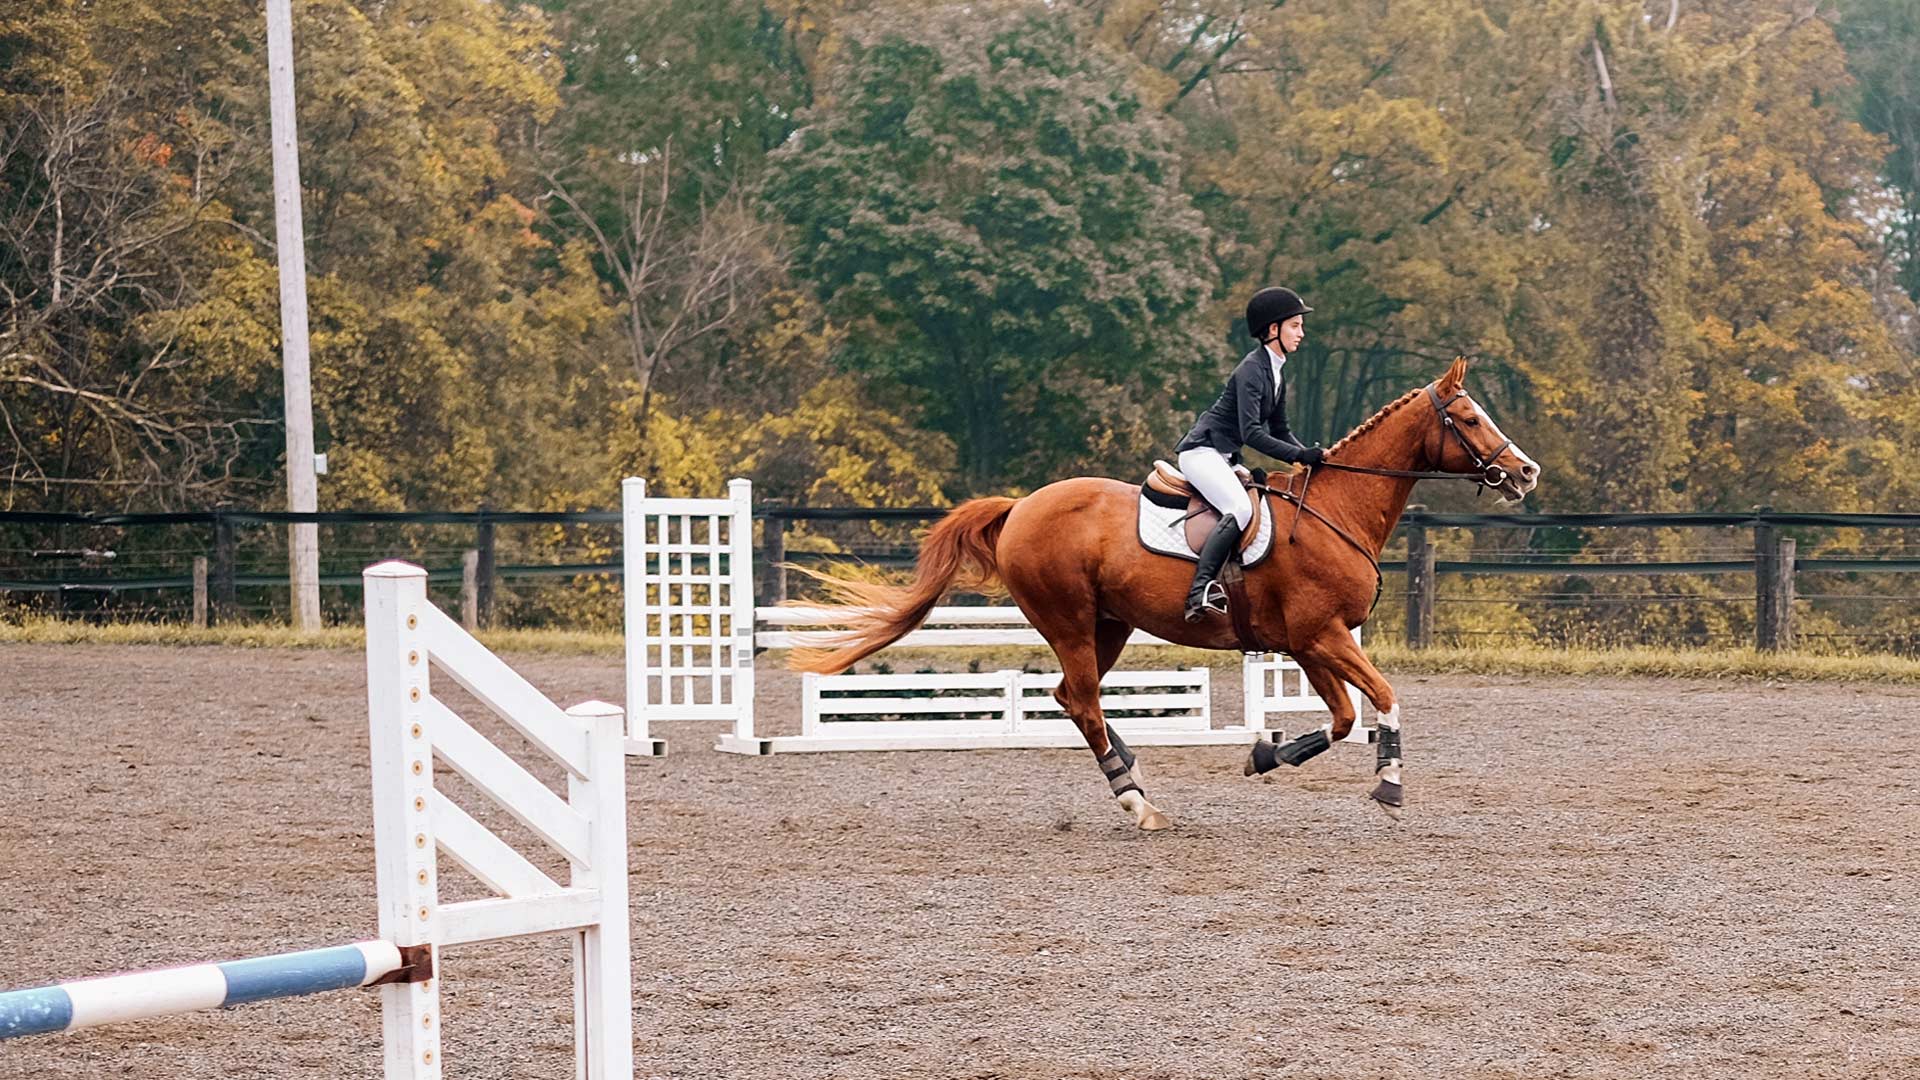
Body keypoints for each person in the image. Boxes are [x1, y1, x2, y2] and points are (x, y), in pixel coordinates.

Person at [1172, 286, 1324, 621]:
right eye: (1295, 325)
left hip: (1222, 456)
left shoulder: (1276, 371)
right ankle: (1199, 592)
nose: (1302, 333)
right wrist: (1301, 454)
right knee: (1239, 508)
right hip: (1202, 452)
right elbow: (1252, 433)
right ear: (1274, 330)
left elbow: (1280, 431)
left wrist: (1309, 458)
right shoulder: (1252, 370)